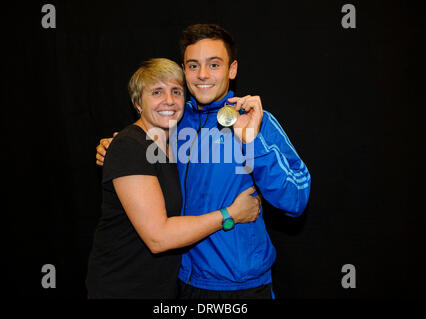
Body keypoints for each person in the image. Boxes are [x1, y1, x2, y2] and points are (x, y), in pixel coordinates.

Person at [96, 24, 311, 299]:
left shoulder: (256, 120)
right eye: (193, 65)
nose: (203, 75)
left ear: (232, 70)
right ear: (184, 71)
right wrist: (111, 148)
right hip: (182, 281)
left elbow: (296, 202)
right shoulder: (173, 119)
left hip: (242, 286)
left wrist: (252, 141)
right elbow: (137, 148)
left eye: (214, 64)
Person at [86, 58, 261, 299]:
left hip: (163, 287)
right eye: (157, 92)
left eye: (176, 91)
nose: (169, 100)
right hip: (123, 285)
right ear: (138, 103)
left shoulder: (173, 145)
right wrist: (231, 214)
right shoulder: (129, 146)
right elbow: (158, 238)